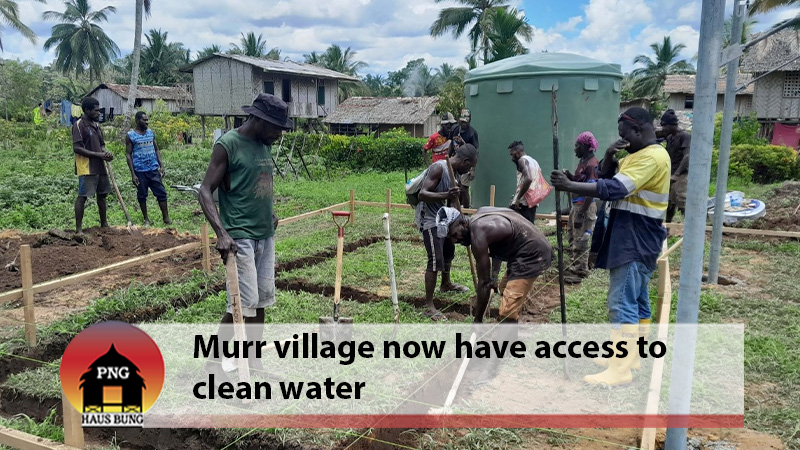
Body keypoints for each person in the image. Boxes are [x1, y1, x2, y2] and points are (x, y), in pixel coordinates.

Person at [550, 107, 670, 386]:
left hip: (636, 237)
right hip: (634, 233)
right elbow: (605, 177)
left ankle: (620, 369)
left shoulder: (651, 158)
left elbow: (615, 188)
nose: (622, 140)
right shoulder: (639, 155)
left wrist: (570, 186)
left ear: (639, 131)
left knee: (622, 301)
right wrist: (608, 156)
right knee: (638, 299)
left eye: (624, 135)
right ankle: (632, 357)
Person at [198, 93, 291, 380]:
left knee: (262, 300)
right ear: (259, 120)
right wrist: (222, 234)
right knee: (242, 303)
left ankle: (255, 363)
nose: (279, 134)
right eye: (276, 128)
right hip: (240, 236)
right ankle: (214, 362)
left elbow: (257, 183)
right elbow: (204, 191)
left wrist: (269, 212)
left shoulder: (263, 144)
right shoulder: (228, 145)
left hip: (265, 233)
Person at [440, 205, 553, 383]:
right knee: (504, 288)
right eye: (450, 238)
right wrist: (494, 275)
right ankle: (512, 342)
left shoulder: (478, 233)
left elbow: (483, 284)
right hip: (521, 251)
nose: (455, 240)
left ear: (462, 222)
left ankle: (493, 366)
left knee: (507, 309)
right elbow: (499, 242)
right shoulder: (481, 213)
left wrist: (477, 321)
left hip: (532, 254)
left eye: (454, 234)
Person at [416, 144, 479, 321]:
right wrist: (446, 195)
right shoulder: (439, 168)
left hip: (444, 217)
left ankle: (446, 283)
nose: (470, 169)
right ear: (465, 161)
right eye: (471, 165)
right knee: (436, 260)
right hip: (429, 218)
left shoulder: (456, 174)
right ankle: (428, 306)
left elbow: (457, 200)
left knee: (449, 251)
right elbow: (423, 194)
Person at [73, 97, 114, 235]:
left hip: (100, 166)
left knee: (102, 195)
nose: (99, 113)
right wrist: (99, 155)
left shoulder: (97, 126)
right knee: (83, 196)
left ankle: (104, 224)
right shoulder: (79, 125)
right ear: (87, 110)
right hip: (86, 168)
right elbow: (77, 148)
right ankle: (79, 229)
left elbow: (101, 144)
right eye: (96, 111)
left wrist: (105, 153)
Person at [563, 132, 600, 284]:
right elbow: (580, 182)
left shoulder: (592, 164)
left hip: (584, 206)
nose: (575, 149)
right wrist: (569, 176)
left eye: (577, 145)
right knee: (572, 236)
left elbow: (591, 190)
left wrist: (582, 213)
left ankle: (580, 272)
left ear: (585, 146)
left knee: (581, 239)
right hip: (576, 205)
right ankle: (574, 266)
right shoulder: (584, 162)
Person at [125, 112, 171, 226]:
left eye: (147, 120)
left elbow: (156, 149)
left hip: (153, 169)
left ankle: (166, 218)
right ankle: (146, 219)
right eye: (144, 120)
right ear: (137, 121)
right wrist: (133, 174)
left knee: (161, 193)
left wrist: (161, 165)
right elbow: (128, 155)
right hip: (140, 171)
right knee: (142, 195)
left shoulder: (150, 133)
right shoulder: (131, 135)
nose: (147, 122)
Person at [660, 109, 690, 222]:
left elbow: (687, 156)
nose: (664, 129)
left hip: (681, 174)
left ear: (672, 125)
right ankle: (667, 227)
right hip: (671, 173)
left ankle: (690, 228)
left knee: (682, 201)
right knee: (669, 202)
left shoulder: (684, 136)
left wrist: (677, 174)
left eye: (665, 126)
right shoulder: (670, 137)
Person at [508, 141, 544, 223]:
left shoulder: (522, 160)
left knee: (513, 225)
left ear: (517, 151)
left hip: (523, 203)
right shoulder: (534, 161)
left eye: (512, 154)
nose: (512, 157)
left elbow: (529, 179)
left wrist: (517, 199)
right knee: (529, 227)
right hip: (533, 201)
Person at [452, 109, 479, 207]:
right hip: (456, 161)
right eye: (462, 122)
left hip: (466, 164)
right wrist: (447, 158)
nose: (463, 124)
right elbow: (452, 144)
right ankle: (457, 209)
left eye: (465, 122)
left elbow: (475, 152)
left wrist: (472, 168)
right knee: (455, 187)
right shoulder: (455, 129)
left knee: (463, 189)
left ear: (469, 121)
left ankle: (466, 211)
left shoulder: (472, 133)